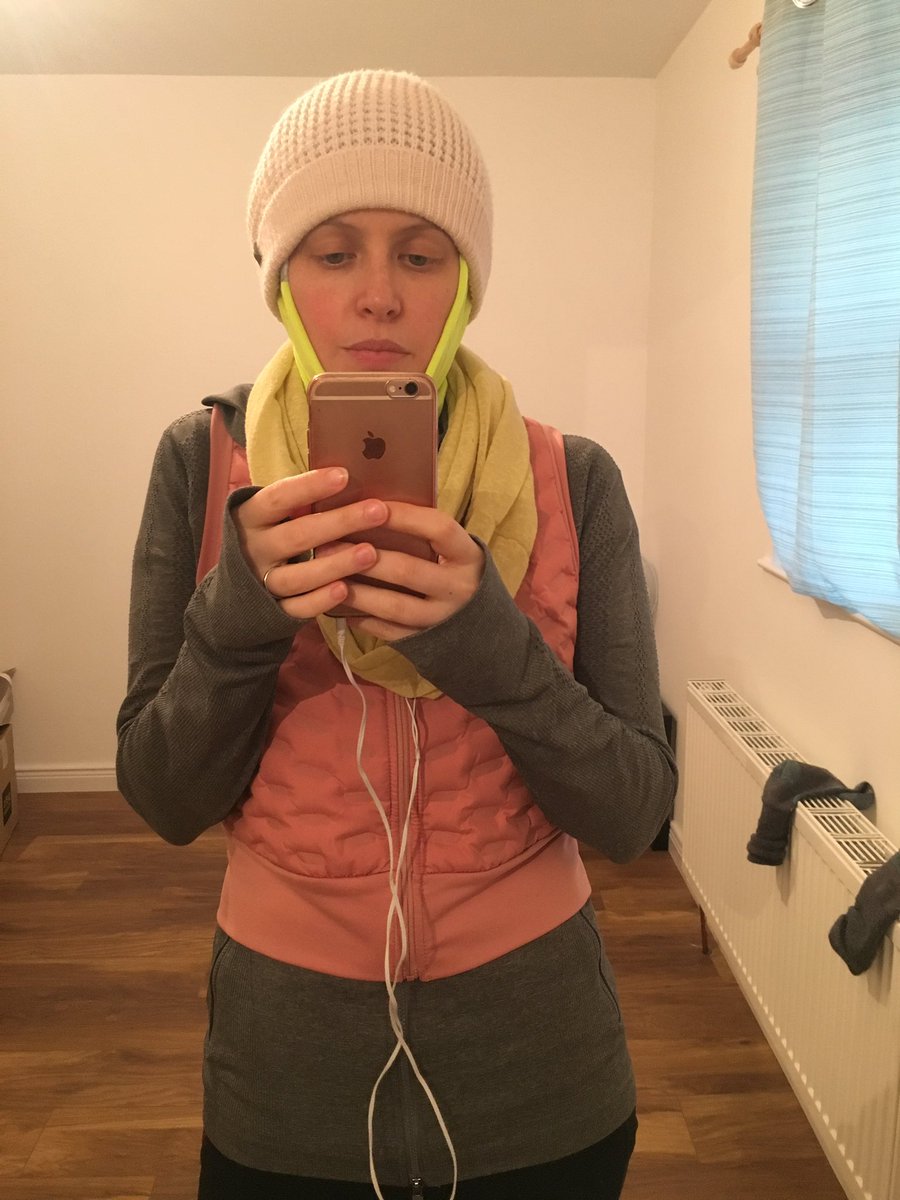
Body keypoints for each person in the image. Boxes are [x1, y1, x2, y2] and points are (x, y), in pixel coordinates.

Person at [116, 68, 677, 1200]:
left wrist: (487, 647)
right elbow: (164, 796)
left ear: (465, 282)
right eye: (333, 253)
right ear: (282, 279)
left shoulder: (575, 479)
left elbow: (634, 813)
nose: (378, 296)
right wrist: (243, 614)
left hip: (543, 1065)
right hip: (288, 1072)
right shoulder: (201, 465)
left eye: (420, 256)